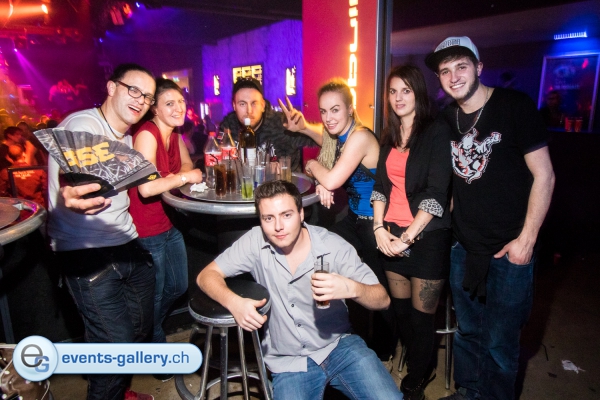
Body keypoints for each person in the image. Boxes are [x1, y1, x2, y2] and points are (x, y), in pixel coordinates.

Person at [424, 36, 555, 400]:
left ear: (479, 67)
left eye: (461, 66)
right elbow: (450, 184)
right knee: (468, 332)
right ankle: (469, 392)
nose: (453, 77)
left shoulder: (515, 106)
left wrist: (526, 240)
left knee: (499, 342)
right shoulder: (446, 119)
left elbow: (545, 176)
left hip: (509, 248)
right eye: (445, 71)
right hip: (464, 248)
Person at [196, 180, 403, 400]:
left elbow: (383, 300)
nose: (278, 226)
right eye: (268, 218)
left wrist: (351, 288)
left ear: (301, 214)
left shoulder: (332, 245)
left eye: (286, 215)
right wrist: (234, 302)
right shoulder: (255, 242)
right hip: (288, 360)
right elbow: (205, 276)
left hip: (340, 346)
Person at [47, 63, 158, 400]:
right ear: (111, 88)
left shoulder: (126, 137)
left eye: (148, 97)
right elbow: (74, 180)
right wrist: (71, 194)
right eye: (133, 90)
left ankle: (119, 392)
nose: (140, 100)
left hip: (127, 244)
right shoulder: (82, 127)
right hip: (87, 253)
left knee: (137, 331)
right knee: (115, 350)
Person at [282, 78, 397, 367]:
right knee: (323, 251)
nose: (328, 117)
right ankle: (344, 332)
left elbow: (333, 179)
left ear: (350, 109)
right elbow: (327, 139)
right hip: (356, 219)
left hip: (377, 223)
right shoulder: (341, 137)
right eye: (323, 111)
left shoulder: (360, 137)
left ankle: (384, 348)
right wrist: (304, 129)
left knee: (376, 286)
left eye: (335, 110)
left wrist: (313, 167)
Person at [371, 65, 453, 400]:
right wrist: (379, 228)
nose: (398, 97)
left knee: (422, 319)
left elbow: (436, 193)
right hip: (391, 233)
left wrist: (407, 237)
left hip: (427, 238)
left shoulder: (436, 131)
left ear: (418, 92)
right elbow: (380, 187)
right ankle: (418, 360)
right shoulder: (389, 134)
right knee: (401, 313)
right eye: (393, 91)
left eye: (406, 90)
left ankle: (419, 376)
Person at [128, 78, 203, 368]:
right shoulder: (147, 135)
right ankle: (155, 352)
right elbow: (147, 188)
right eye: (169, 103)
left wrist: (176, 176)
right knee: (156, 295)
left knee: (179, 285)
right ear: (155, 109)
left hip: (169, 223)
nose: (178, 107)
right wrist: (181, 178)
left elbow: (187, 164)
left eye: (181, 101)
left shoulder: (175, 134)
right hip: (147, 229)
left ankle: (144, 328)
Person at [219, 77, 321, 172]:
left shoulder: (282, 123)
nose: (249, 111)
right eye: (242, 104)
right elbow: (217, 160)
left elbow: (327, 139)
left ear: (263, 105)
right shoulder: (228, 127)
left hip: (286, 183)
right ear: (234, 106)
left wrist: (305, 128)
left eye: (254, 103)